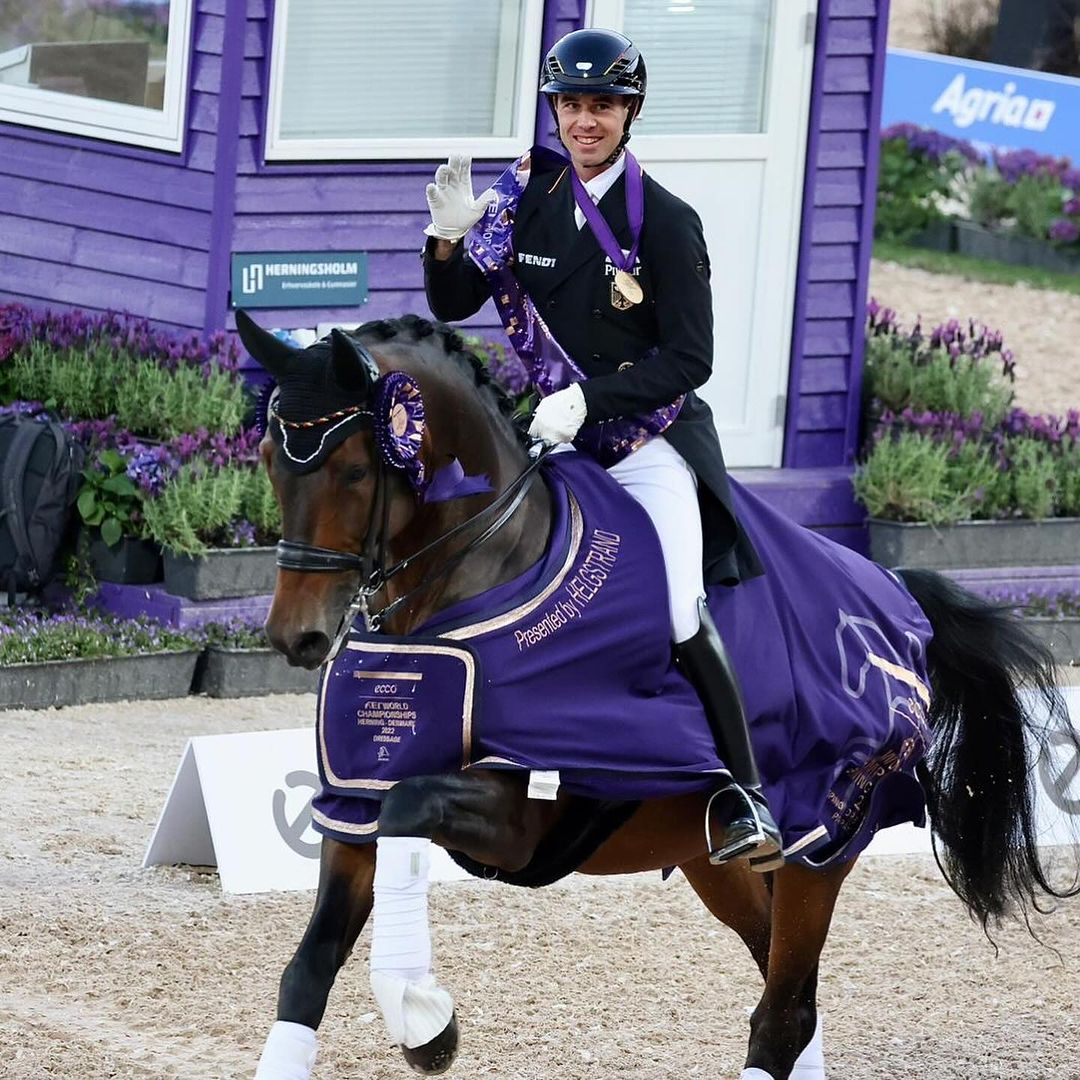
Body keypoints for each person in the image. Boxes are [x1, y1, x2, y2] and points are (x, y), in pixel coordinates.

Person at [421, 28, 781, 870]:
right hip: (555, 433)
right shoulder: (527, 192)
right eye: (572, 105)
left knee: (677, 606)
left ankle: (744, 794)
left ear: (630, 113)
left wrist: (589, 399)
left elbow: (690, 360)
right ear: (555, 110)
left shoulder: (668, 221)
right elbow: (451, 301)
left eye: (603, 107)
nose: (585, 121)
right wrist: (445, 237)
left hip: (649, 439)